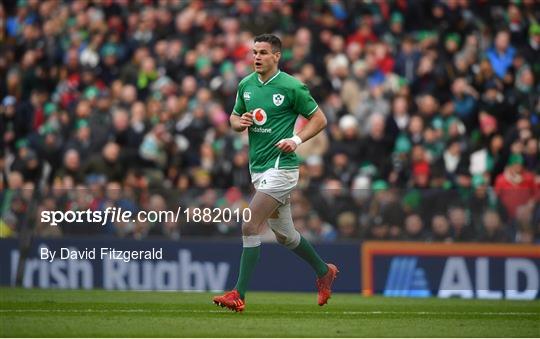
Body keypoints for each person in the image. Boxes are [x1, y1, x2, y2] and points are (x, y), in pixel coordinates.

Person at [212, 34, 339, 312]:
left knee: (249, 224)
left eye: (263, 53)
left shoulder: (292, 86)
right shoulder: (246, 85)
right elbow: (234, 118)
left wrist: (296, 140)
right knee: (285, 235)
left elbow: (320, 119)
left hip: (282, 167)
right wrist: (238, 123)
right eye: (254, 52)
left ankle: (238, 293)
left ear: (276, 56)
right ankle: (323, 271)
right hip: (258, 167)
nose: (256, 57)